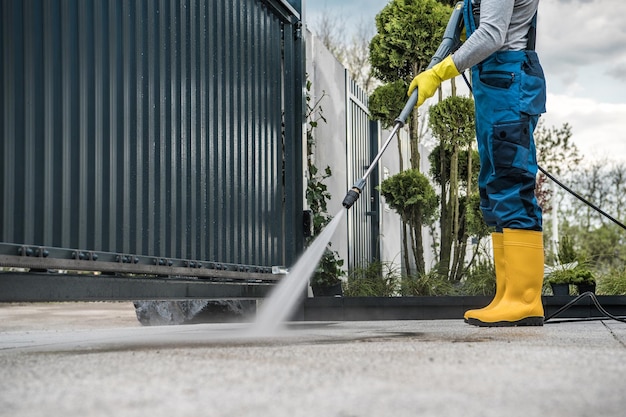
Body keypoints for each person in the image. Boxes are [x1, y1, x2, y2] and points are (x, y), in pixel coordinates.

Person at [407, 0, 546, 327]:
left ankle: (524, 300)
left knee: (512, 187)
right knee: (496, 189)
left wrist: (439, 72)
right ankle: (507, 295)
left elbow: (492, 35)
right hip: (498, 85)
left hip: (508, 85)